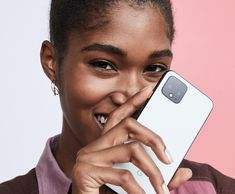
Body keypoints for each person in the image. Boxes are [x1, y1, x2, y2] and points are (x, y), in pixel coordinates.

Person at [0, 0, 235, 194]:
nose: (132, 94)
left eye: (154, 68)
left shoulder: (215, 188)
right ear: (52, 63)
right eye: (103, 64)